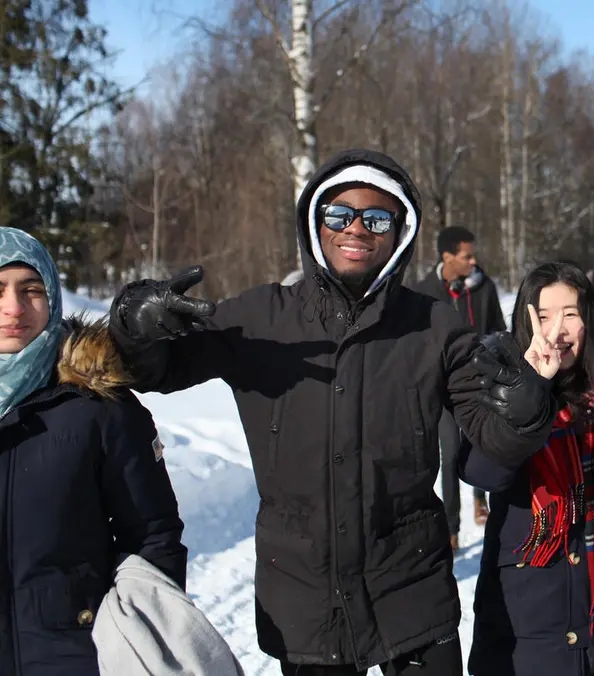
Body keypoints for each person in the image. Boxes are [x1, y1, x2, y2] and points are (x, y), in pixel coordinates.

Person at [106, 149, 556, 676]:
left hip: (410, 590)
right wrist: (135, 329)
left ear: (400, 232)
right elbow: (156, 371)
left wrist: (524, 410)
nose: (357, 228)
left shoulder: (436, 326)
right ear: (315, 224)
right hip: (302, 595)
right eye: (339, 214)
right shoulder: (260, 317)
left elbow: (489, 440)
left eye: (377, 217)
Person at [0, 227, 187, 676]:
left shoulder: (99, 408)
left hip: (77, 659)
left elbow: (152, 537)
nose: (14, 308)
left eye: (32, 290)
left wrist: (139, 643)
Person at [460, 262, 594, 676]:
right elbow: (484, 473)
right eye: (543, 316)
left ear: (590, 318)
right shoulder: (499, 379)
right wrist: (532, 388)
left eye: (570, 313)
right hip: (525, 611)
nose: (557, 330)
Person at [413, 226, 507, 547]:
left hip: (483, 383)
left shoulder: (485, 287)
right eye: (467, 256)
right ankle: (452, 529)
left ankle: (482, 499)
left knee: (486, 445)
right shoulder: (423, 292)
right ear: (447, 257)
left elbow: (500, 332)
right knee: (450, 454)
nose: (473, 261)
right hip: (444, 389)